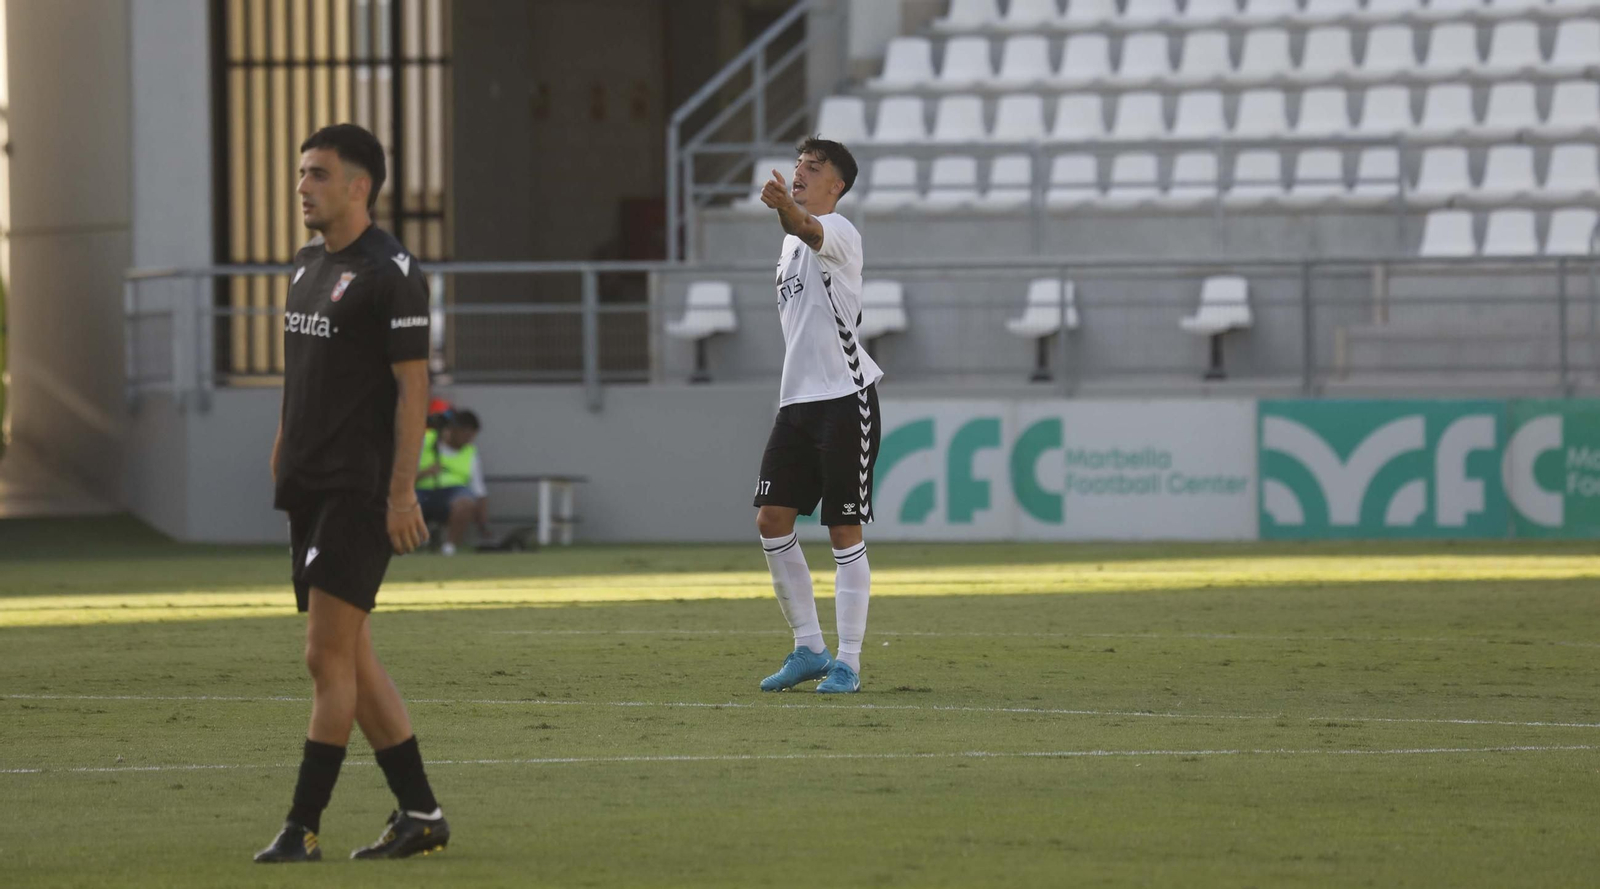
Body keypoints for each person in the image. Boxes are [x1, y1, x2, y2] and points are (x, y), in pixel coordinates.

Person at [255, 123, 450, 863]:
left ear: (358, 186)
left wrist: (403, 492)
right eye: (302, 172)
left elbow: (414, 388)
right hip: (308, 479)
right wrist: (283, 442)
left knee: (324, 654)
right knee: (352, 652)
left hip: (359, 487)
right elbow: (298, 369)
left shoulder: (392, 272)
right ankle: (422, 813)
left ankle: (302, 827)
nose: (302, 186)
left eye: (317, 174)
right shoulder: (307, 263)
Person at [751, 137, 882, 695]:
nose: (801, 174)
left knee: (841, 528)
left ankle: (848, 662)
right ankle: (809, 647)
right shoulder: (787, 250)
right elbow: (795, 232)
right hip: (796, 400)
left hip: (845, 397)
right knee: (771, 519)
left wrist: (786, 206)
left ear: (838, 185)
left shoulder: (842, 233)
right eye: (798, 166)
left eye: (813, 169)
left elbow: (807, 227)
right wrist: (788, 212)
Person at [417, 409, 491, 555]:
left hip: (452, 494)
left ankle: (449, 547)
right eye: (466, 433)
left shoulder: (470, 452)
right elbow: (401, 475)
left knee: (466, 502)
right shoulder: (425, 441)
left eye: (472, 435)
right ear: (452, 429)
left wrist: (483, 525)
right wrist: (425, 473)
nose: (469, 439)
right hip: (421, 491)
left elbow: (479, 490)